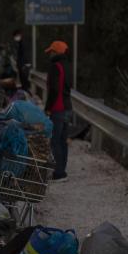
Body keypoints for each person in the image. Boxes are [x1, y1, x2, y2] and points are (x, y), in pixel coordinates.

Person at [44, 40, 72, 180]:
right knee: (63, 140)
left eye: (51, 52)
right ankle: (62, 170)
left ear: (56, 52)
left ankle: (59, 173)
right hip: (68, 108)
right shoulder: (68, 66)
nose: (49, 54)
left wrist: (48, 108)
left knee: (55, 141)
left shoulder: (55, 67)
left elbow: (54, 90)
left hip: (58, 109)